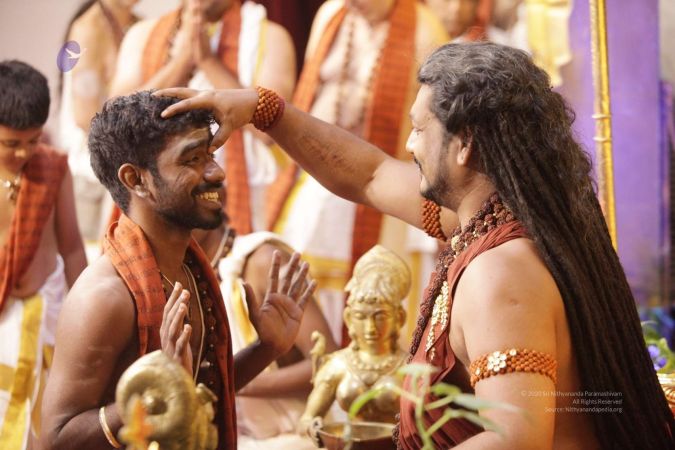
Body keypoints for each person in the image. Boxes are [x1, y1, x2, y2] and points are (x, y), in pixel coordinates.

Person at [155, 41, 675, 449]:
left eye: (420, 130)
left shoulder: (501, 272)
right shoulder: (475, 222)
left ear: (465, 144)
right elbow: (367, 175)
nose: (408, 146)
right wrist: (262, 109)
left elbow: (516, 439)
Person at [40, 91, 316, 450]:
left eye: (210, 155)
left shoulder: (187, 268)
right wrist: (157, 387)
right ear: (136, 180)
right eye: (193, 159)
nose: (216, 172)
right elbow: (56, 436)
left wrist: (267, 349)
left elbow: (196, 390)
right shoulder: (105, 297)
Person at [267, 0, 448, 344]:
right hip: (316, 183)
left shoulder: (426, 31)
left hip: (382, 189)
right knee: (302, 284)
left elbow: (436, 126)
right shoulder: (331, 14)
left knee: (377, 301)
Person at [110, 0, 296, 236]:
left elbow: (271, 129)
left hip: (239, 199)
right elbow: (117, 123)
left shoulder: (270, 38)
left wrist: (208, 61)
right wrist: (181, 62)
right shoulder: (143, 35)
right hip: (159, 196)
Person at [0, 60, 87, 449]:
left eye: (33, 141)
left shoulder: (52, 168)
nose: (23, 152)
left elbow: (72, 247)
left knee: (43, 423)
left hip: (48, 311)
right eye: (10, 143)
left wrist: (87, 313)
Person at [193, 221, 337, 449]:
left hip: (295, 440)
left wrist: (234, 380)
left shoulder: (262, 261)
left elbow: (329, 364)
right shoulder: (183, 274)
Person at [299, 244, 409, 433]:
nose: (370, 328)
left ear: (399, 318)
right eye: (360, 317)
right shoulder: (338, 365)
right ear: (349, 318)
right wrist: (313, 427)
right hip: (349, 442)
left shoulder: (410, 367)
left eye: (380, 317)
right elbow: (306, 420)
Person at [59, 0, 138, 243]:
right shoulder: (89, 28)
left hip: (121, 173)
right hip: (91, 176)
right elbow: (86, 116)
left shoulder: (135, 24)